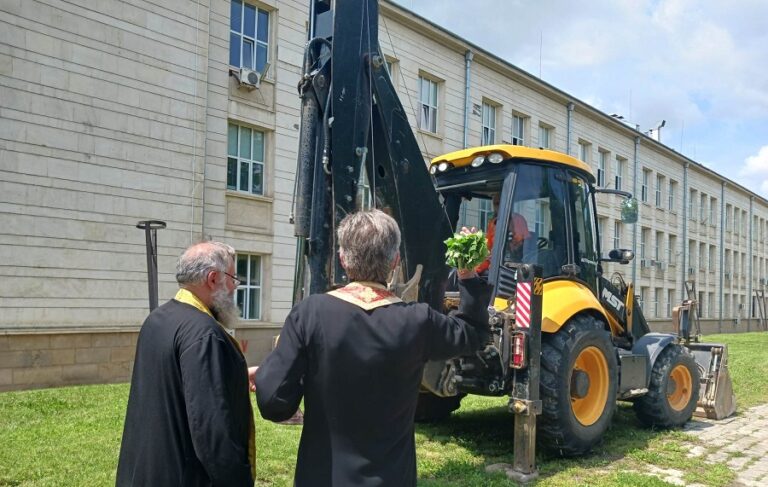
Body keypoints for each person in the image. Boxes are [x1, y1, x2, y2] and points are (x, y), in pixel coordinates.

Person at [255, 209, 490, 487]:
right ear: (395, 261)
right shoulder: (418, 320)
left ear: (343, 259)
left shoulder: (310, 313)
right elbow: (472, 333)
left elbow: (273, 402)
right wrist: (466, 272)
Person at [116, 241, 255, 487]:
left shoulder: (157, 319)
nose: (235, 287)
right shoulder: (204, 333)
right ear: (213, 279)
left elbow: (177, 385)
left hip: (147, 471)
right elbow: (211, 430)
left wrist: (237, 376)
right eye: (233, 278)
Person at [475, 194, 530, 273]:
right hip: (495, 261)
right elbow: (488, 246)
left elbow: (523, 246)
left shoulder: (518, 220)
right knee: (475, 270)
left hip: (513, 262)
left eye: (500, 203)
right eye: (496, 204)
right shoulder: (493, 222)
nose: (498, 207)